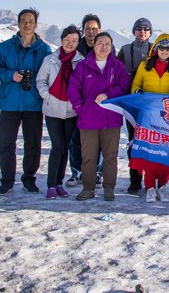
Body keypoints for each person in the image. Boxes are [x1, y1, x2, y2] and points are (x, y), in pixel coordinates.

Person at [0, 8, 52, 195]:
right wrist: (11, 75)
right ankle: (7, 180)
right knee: (6, 144)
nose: (27, 24)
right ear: (18, 23)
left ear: (35, 24)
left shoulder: (43, 49)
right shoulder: (4, 47)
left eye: (30, 21)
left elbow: (48, 74)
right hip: (10, 102)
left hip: (32, 102)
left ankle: (29, 178)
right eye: (23, 21)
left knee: (33, 143)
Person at [67, 32, 131, 202]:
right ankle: (88, 188)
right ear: (93, 46)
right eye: (100, 43)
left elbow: (125, 86)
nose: (104, 47)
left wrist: (109, 94)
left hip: (111, 119)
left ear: (111, 47)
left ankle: (109, 188)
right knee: (88, 156)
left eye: (107, 44)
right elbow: (73, 89)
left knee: (110, 156)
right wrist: (80, 108)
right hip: (88, 119)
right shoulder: (83, 66)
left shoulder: (117, 66)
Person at [129, 33, 169, 203]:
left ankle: (162, 185)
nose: (164, 51)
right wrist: (137, 93)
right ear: (155, 49)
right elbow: (135, 85)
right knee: (149, 152)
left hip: (168, 118)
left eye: (168, 48)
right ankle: (149, 188)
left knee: (166, 152)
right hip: (148, 116)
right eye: (161, 47)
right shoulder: (144, 65)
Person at [36, 25, 84, 199]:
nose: (70, 44)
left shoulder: (81, 62)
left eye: (74, 41)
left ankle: (59, 183)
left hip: (71, 111)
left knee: (65, 147)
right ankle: (51, 184)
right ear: (61, 40)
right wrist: (47, 95)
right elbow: (40, 80)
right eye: (67, 40)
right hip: (53, 109)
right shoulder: (50, 60)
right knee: (57, 146)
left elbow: (83, 86)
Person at [117, 17, 153, 195]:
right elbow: (117, 71)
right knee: (134, 141)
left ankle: (152, 179)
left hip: (152, 104)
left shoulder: (157, 49)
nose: (142, 32)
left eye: (146, 29)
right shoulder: (124, 50)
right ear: (134, 31)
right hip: (131, 102)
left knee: (152, 140)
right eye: (139, 29)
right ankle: (135, 180)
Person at [67, 13, 104, 187]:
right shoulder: (75, 48)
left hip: (99, 103)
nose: (91, 32)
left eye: (94, 28)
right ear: (83, 31)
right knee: (75, 137)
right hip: (78, 102)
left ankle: (97, 172)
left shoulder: (106, 47)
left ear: (100, 30)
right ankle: (77, 171)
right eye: (88, 28)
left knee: (98, 140)